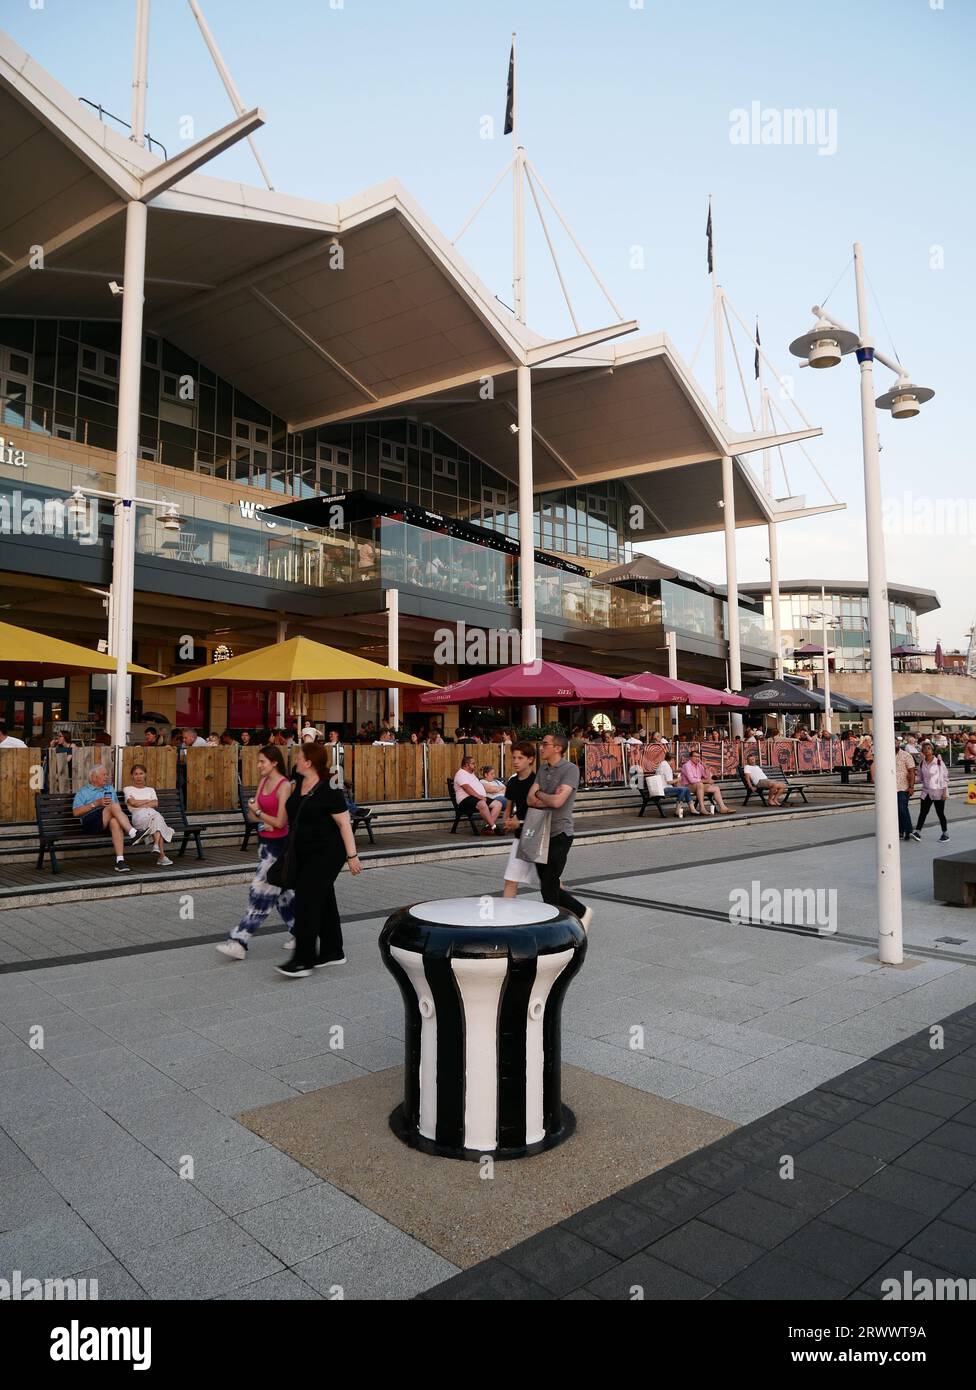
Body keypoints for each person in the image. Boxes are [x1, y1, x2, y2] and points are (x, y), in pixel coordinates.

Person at [278, 741, 362, 978]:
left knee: (307, 900)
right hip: (302, 850)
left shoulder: (330, 788)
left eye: (299, 756)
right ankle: (332, 951)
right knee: (323, 899)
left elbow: (344, 823)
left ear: (309, 761)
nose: (296, 759)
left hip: (327, 853)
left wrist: (352, 856)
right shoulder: (299, 779)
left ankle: (302, 960)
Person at [217, 745, 296, 960]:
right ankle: (302, 931)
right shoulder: (263, 782)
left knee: (260, 892)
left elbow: (280, 821)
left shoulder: (284, 786)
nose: (259, 765)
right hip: (264, 845)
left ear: (274, 762)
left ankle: (239, 940)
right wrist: (261, 817)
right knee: (282, 896)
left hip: (278, 847)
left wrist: (259, 812)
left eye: (262, 761)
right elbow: (252, 818)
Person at [527, 731, 592, 929]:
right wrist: (543, 795)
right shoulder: (542, 768)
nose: (541, 747)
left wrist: (541, 794)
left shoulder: (570, 769)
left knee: (549, 883)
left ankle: (553, 925)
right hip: (540, 832)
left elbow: (558, 801)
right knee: (547, 884)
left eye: (545, 744)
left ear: (558, 748)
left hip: (560, 833)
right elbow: (530, 799)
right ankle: (580, 912)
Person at [72, 765, 141, 872]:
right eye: (103, 774)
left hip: (106, 822)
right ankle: (133, 833)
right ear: (94, 777)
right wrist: (96, 803)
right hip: (90, 823)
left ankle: (120, 861)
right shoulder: (83, 792)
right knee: (112, 806)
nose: (106, 777)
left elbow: (117, 810)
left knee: (115, 821)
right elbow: (76, 812)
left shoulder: (109, 788)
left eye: (106, 774)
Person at [501, 740, 538, 898]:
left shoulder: (537, 782)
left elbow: (540, 812)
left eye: (520, 758)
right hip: (519, 837)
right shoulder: (513, 782)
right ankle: (506, 918)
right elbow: (508, 807)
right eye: (514, 757)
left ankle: (573, 911)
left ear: (530, 759)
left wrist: (520, 822)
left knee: (552, 882)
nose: (515, 761)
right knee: (511, 879)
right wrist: (507, 819)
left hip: (536, 838)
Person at [122, 763, 175, 866]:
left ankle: (158, 848)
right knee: (158, 818)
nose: (138, 776)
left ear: (145, 775)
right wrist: (147, 801)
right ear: (132, 776)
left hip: (153, 816)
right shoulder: (128, 789)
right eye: (136, 774)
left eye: (141, 773)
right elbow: (133, 803)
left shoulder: (150, 790)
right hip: (139, 817)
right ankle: (161, 855)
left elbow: (155, 803)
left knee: (157, 818)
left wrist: (139, 802)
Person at [912, 741, 950, 842]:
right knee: (923, 812)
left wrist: (945, 792)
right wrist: (910, 778)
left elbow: (945, 778)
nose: (926, 750)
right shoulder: (921, 764)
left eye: (929, 748)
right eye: (924, 748)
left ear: (932, 750)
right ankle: (918, 832)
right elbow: (920, 778)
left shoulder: (938, 763)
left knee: (940, 813)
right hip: (926, 792)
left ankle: (945, 833)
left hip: (938, 791)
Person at [453, 756, 503, 833]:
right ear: (466, 764)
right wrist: (479, 797)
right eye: (473, 763)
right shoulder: (461, 774)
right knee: (482, 803)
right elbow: (467, 789)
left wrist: (481, 797)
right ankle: (494, 827)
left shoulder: (471, 773)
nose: (475, 765)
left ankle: (488, 827)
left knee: (498, 804)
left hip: (477, 798)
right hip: (465, 799)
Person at [679, 747, 735, 814]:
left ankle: (723, 808)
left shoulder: (699, 765)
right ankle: (702, 808)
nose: (697, 758)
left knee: (716, 788)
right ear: (690, 757)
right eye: (695, 757)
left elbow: (706, 777)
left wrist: (705, 768)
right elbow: (692, 780)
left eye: (698, 757)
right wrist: (706, 781)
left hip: (699, 785)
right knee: (700, 784)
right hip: (688, 786)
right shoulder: (687, 766)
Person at [895, 741, 917, 842]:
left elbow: (912, 772)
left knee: (902, 808)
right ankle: (900, 831)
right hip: (889, 789)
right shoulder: (886, 755)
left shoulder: (906, 755)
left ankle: (908, 830)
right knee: (896, 810)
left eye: (895, 743)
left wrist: (911, 787)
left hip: (903, 787)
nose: (894, 744)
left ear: (898, 744)